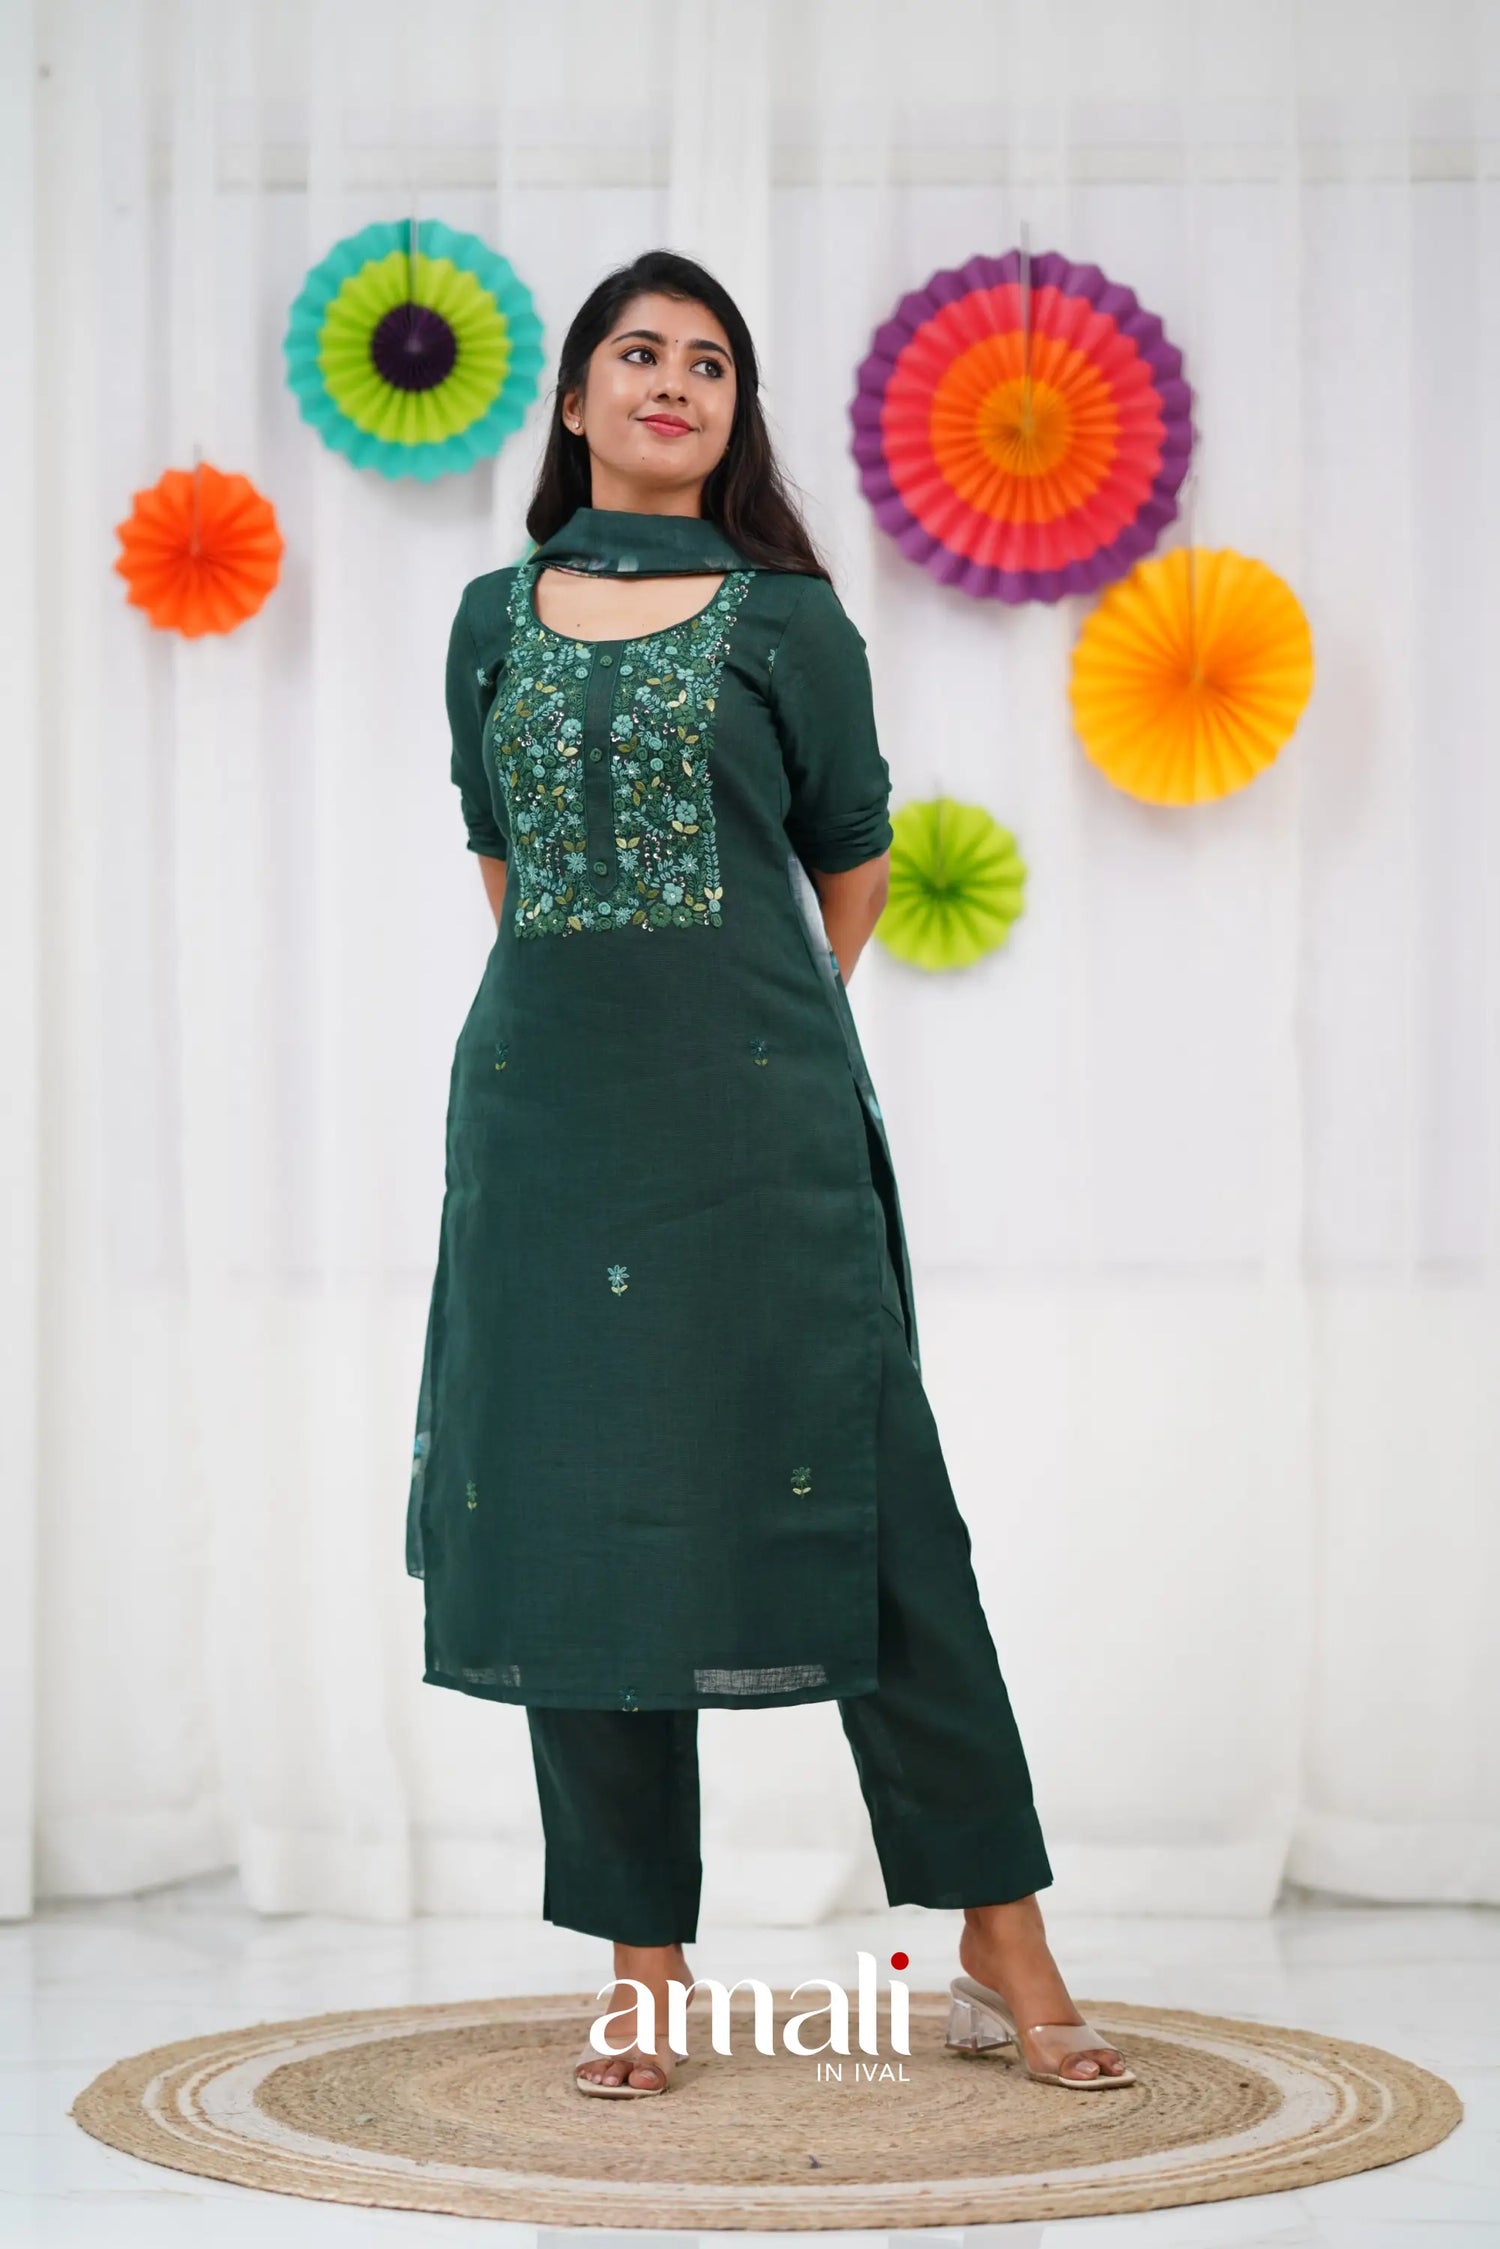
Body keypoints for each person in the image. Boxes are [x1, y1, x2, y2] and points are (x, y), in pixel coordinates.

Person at [407, 249, 1133, 2098]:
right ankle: (645, 1966)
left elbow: (850, 865)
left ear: (734, 413)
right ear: (577, 398)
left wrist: (746, 1038)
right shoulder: (491, 618)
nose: (674, 380)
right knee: (584, 1525)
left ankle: (1001, 1933)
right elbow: (505, 861)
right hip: (549, 1134)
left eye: (710, 362)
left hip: (758, 1130)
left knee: (880, 1521)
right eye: (638, 352)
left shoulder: (792, 618)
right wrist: (602, 1021)